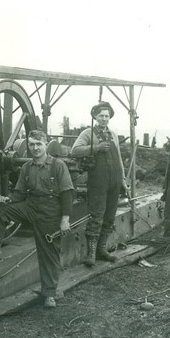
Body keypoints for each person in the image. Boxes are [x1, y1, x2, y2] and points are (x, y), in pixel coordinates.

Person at [0, 130, 73, 308]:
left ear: (46, 144)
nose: (35, 148)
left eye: (39, 144)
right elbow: (19, 193)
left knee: (48, 253)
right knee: (1, 209)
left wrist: (65, 219)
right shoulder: (27, 168)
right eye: (32, 144)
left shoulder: (58, 166)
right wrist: (9, 199)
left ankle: (49, 294)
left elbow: (67, 193)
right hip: (30, 206)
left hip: (50, 211)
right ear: (28, 145)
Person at [70, 102, 129, 267]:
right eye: (101, 115)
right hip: (98, 181)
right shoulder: (88, 133)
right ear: (95, 117)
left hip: (115, 180)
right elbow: (74, 151)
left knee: (109, 216)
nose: (104, 119)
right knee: (96, 216)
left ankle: (101, 250)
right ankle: (90, 254)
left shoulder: (113, 134)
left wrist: (123, 180)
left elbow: (117, 157)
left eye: (107, 116)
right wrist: (96, 148)